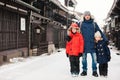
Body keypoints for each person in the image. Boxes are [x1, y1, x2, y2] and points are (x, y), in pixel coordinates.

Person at [80, 11, 108, 77]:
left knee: (94, 59)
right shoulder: (81, 24)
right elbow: (75, 31)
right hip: (84, 45)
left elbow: (100, 32)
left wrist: (105, 39)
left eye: (88, 15)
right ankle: (84, 71)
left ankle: (94, 71)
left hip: (93, 44)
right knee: (84, 59)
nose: (87, 16)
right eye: (86, 15)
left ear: (90, 16)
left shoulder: (94, 24)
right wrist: (69, 37)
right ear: (84, 16)